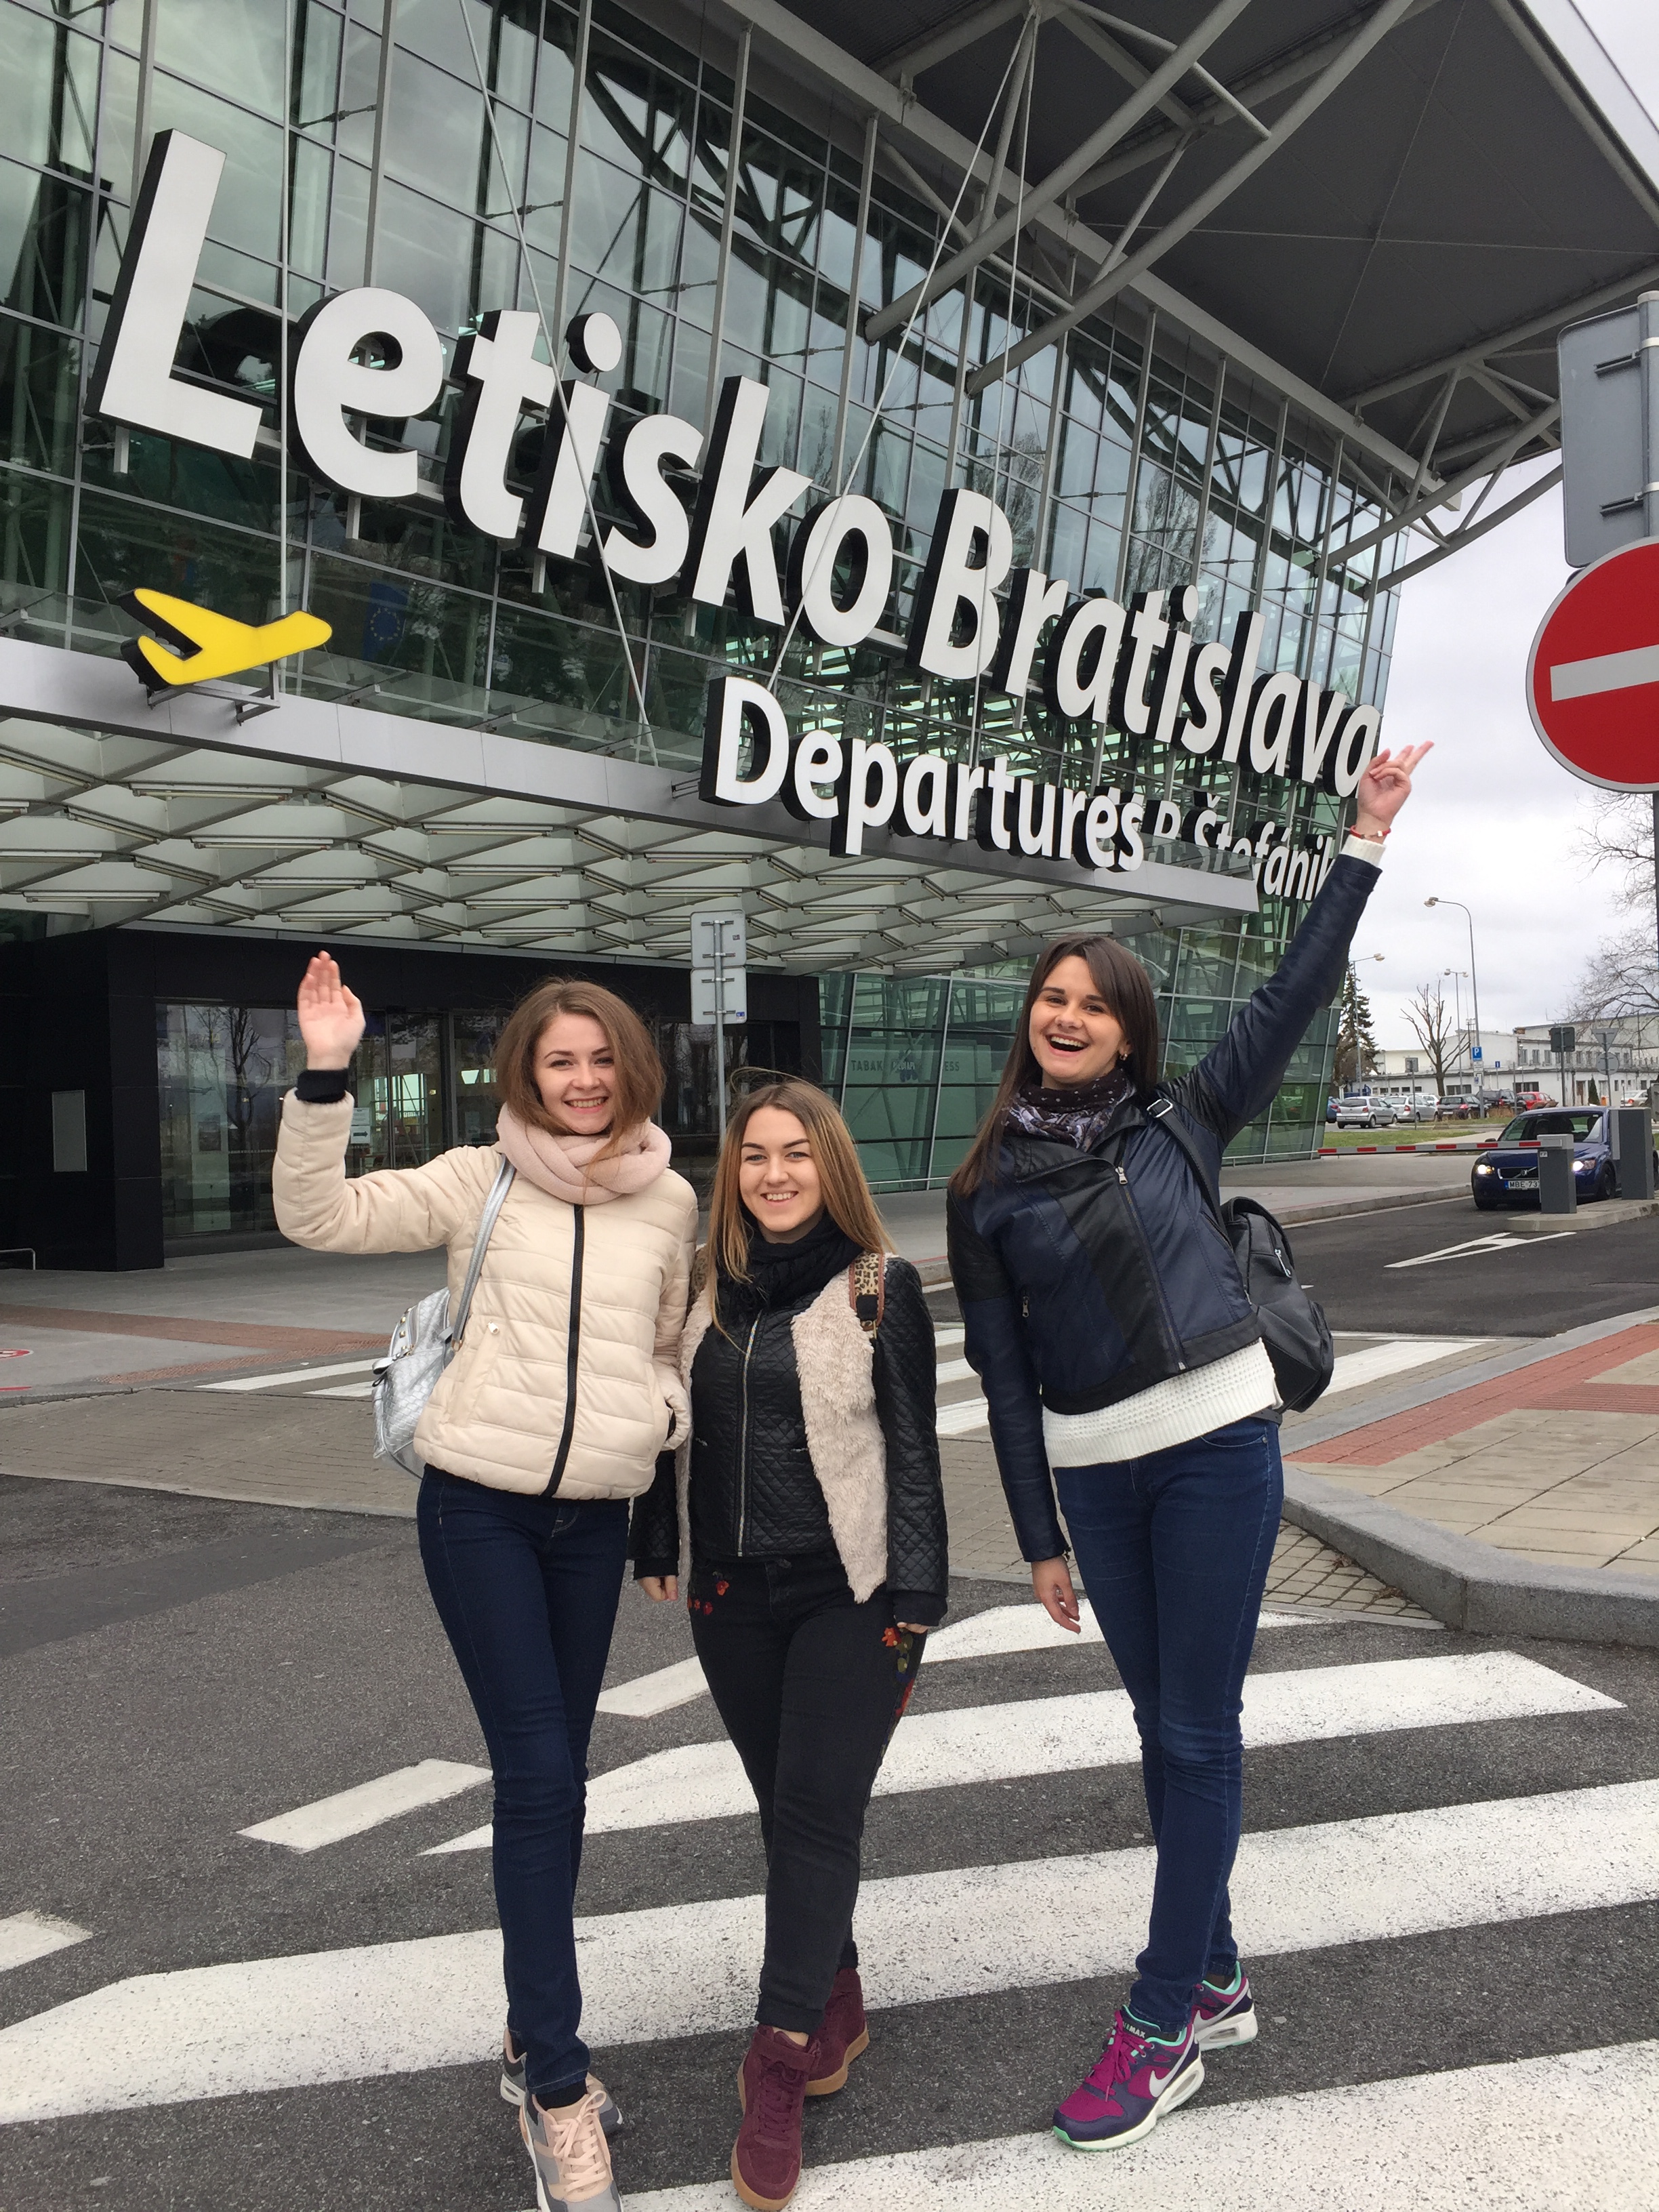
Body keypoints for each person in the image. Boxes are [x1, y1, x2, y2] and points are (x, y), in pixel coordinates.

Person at [946, 746, 1429, 2154]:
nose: (1069, 1016)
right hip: (1095, 1480)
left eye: (1095, 1004)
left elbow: (1294, 993)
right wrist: (1036, 1534)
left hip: (1216, 1451)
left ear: (1129, 1031)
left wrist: (1362, 843)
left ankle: (1163, 2023)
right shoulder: (985, 1188)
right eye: (1054, 998)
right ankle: (1213, 1972)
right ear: (1031, 1019)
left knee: (1197, 1730)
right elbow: (1003, 1374)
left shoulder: (1183, 1119)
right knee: (1160, 1728)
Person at [273, 954, 697, 2212]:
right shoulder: (482, 1177)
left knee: (560, 1784)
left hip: (592, 1520)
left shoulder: (669, 1198)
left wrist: (658, 1422)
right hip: (479, 1511)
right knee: (539, 1776)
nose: (583, 1079)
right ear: (526, 1074)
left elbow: (668, 1347)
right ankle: (557, 2087)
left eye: (601, 1059)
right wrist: (326, 1072)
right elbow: (318, 1217)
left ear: (632, 1068)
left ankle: (526, 2031)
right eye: (560, 1061)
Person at [630, 1080, 947, 2212]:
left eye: (797, 1154)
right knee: (788, 1809)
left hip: (848, 1594)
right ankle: (837, 1994)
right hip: (730, 1596)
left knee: (815, 1814)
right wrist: (653, 1538)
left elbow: (914, 1447)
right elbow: (667, 1420)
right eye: (756, 1156)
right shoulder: (705, 1286)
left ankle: (777, 2058)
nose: (774, 1174)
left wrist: (920, 1595)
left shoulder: (879, 1288)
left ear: (832, 1168)